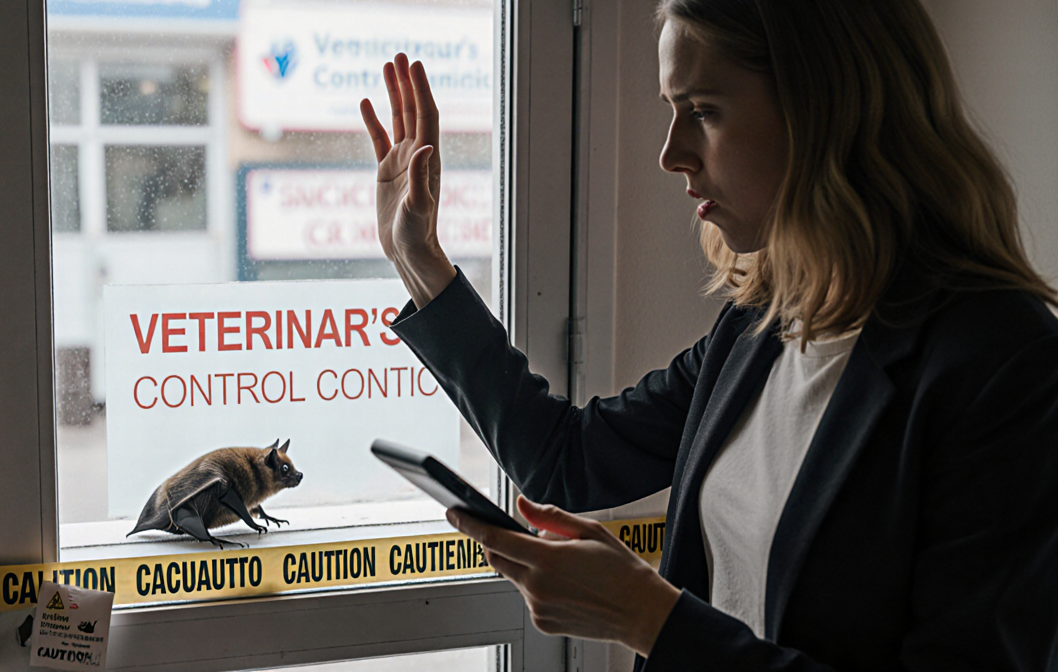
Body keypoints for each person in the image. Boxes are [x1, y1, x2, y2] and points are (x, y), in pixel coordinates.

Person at [359, 0, 1058, 669]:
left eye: (703, 112)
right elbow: (565, 458)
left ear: (825, 112)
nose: (671, 154)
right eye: (673, 110)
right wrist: (421, 261)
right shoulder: (763, 324)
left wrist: (647, 617)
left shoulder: (1002, 363)